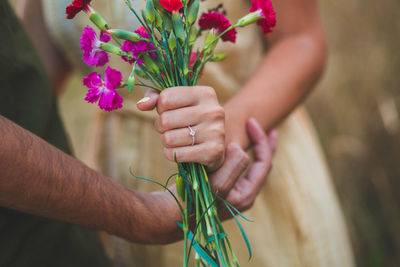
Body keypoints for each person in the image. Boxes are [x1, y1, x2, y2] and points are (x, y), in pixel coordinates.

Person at [27, 0, 355, 266]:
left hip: (245, 174)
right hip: (118, 193)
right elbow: (29, 80)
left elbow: (302, 39)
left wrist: (224, 133)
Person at [0, 1, 276, 266]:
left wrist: (220, 138)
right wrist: (140, 215)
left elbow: (302, 38)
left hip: (235, 165)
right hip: (113, 183)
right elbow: (26, 86)